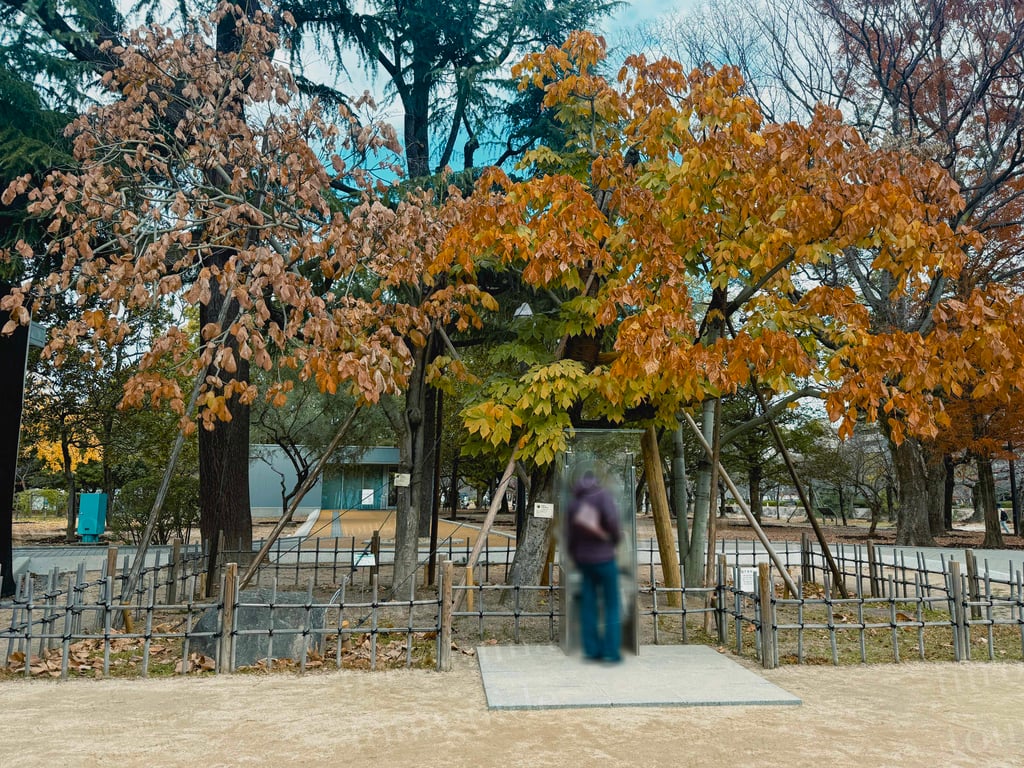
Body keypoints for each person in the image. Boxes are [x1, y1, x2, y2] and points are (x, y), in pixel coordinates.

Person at [567, 471, 622, 663]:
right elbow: (612, 522)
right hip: (605, 558)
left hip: (584, 561)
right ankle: (610, 651)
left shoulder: (574, 504)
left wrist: (576, 556)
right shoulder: (603, 496)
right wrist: (614, 541)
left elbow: (570, 536)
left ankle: (591, 650)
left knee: (588, 605)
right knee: (612, 604)